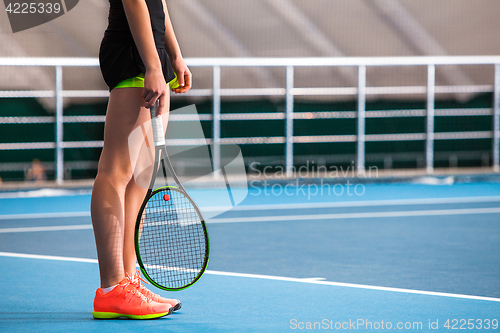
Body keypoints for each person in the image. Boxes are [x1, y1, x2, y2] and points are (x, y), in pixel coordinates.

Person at [91, 0, 191, 319]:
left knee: (139, 176)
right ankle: (111, 288)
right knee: (116, 172)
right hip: (134, 51)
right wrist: (151, 64)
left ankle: (128, 281)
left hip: (152, 52)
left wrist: (173, 55)